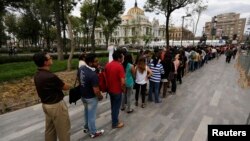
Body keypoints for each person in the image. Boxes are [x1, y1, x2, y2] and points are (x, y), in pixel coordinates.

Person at [33, 52, 71, 141]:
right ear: (45, 62)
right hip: (56, 106)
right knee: (64, 131)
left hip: (46, 105)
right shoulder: (50, 76)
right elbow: (65, 87)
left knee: (50, 130)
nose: (51, 59)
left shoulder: (37, 74)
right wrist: (70, 85)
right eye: (50, 58)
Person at [78, 53, 104, 138]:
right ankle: (93, 132)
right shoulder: (93, 75)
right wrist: (100, 97)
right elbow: (96, 90)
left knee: (86, 112)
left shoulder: (81, 68)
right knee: (92, 115)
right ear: (90, 63)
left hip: (83, 96)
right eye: (96, 61)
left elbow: (80, 79)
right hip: (91, 98)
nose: (98, 62)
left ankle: (86, 127)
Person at [105, 49, 125, 128]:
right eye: (122, 57)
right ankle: (115, 123)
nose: (123, 58)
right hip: (117, 91)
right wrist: (123, 89)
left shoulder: (108, 65)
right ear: (119, 58)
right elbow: (123, 82)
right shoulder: (120, 66)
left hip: (110, 90)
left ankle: (114, 119)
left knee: (113, 106)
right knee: (116, 107)